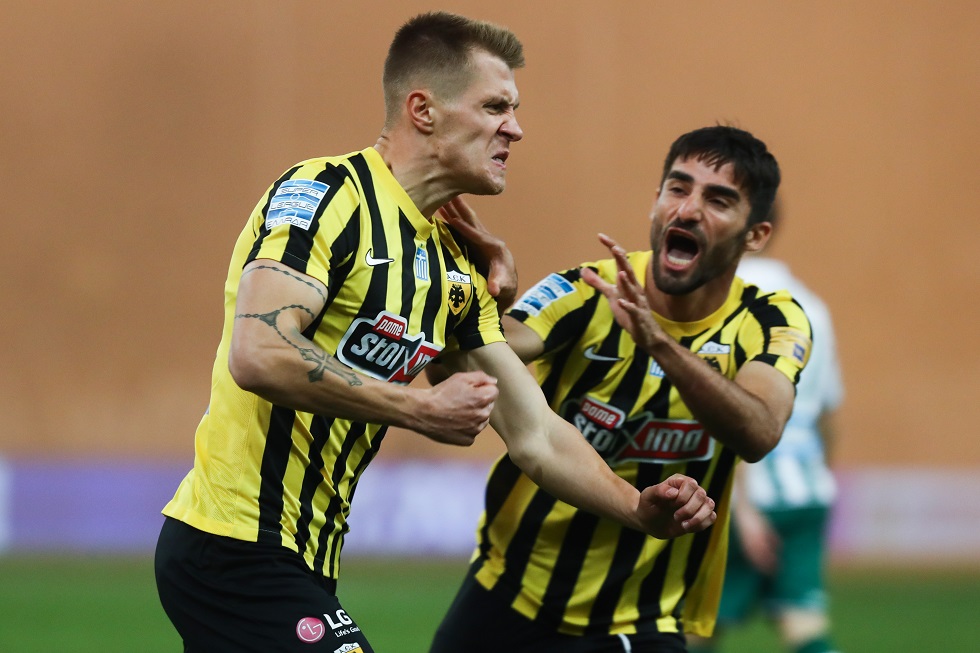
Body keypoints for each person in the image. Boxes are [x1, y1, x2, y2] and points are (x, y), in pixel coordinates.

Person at [153, 12, 716, 653]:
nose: (516, 128)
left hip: (303, 559)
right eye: (495, 107)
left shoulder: (452, 267)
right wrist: (415, 408)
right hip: (229, 545)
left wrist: (636, 507)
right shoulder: (326, 194)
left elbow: (535, 432)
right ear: (423, 110)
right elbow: (258, 352)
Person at [429, 125, 813, 653]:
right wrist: (471, 291)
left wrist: (659, 344)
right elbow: (466, 360)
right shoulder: (586, 289)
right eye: (677, 188)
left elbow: (759, 432)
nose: (688, 210)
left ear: (755, 236)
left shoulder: (773, 319)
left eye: (718, 200)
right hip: (508, 591)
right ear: (657, 201)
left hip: (645, 619)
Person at [687, 205, 844, 653]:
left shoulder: (723, 300)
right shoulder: (813, 305)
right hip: (805, 490)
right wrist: (822, 477)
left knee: (693, 626)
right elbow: (827, 413)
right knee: (803, 621)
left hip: (739, 494)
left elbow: (733, 411)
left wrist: (744, 506)